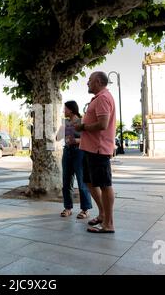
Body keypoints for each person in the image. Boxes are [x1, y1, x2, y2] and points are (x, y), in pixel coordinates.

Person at [75, 71, 117, 234]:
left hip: (98, 149)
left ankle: (108, 224)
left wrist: (82, 127)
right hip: (90, 148)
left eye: (90, 80)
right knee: (89, 182)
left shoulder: (103, 98)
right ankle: (102, 214)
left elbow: (103, 124)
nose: (87, 83)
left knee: (105, 185)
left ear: (98, 81)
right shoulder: (99, 98)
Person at [56, 101, 92, 219]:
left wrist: (75, 141)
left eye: (65, 109)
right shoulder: (65, 122)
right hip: (67, 152)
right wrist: (62, 129)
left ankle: (85, 210)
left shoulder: (82, 121)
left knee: (82, 182)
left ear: (71, 110)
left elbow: (88, 139)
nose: (63, 111)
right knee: (66, 182)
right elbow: (58, 138)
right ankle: (68, 208)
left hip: (79, 152)